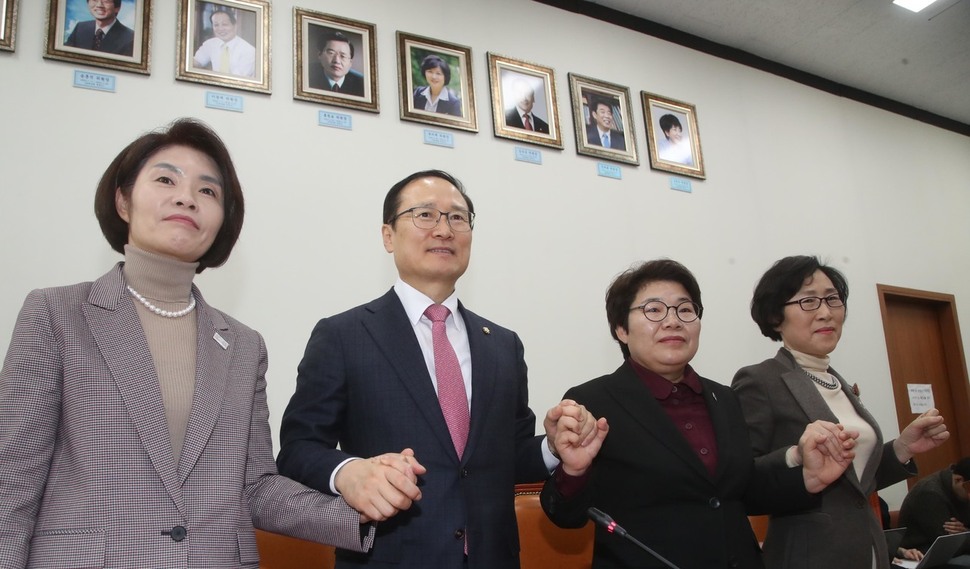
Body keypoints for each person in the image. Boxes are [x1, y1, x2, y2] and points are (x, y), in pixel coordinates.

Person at [0, 118, 394, 567]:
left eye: (208, 191)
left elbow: (255, 487)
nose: (186, 196)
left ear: (223, 220)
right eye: (166, 179)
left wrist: (358, 503)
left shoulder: (244, 345)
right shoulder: (56, 314)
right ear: (123, 200)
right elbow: (11, 478)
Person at [277, 170, 597, 569]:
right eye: (425, 215)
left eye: (458, 218)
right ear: (388, 235)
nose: (444, 230)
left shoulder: (502, 345)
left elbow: (505, 458)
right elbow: (297, 449)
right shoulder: (344, 335)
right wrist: (349, 472)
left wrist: (552, 449)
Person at [541, 259, 857, 569]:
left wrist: (808, 477)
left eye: (685, 309)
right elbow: (566, 516)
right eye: (653, 310)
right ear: (621, 328)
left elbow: (741, 493)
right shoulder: (593, 402)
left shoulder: (724, 397)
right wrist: (573, 472)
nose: (673, 321)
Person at [732, 255, 951, 569]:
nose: (825, 312)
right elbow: (744, 480)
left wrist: (902, 448)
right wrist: (795, 456)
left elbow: (856, 483)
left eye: (833, 299)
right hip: (810, 556)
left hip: (872, 549)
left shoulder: (838, 382)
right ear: (775, 315)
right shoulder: (760, 380)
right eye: (808, 301)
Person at [898, 458, 970, 555]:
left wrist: (965, 532)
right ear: (958, 480)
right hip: (922, 553)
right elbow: (948, 544)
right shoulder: (930, 493)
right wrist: (965, 535)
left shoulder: (960, 489)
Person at [193, 9, 256, 78]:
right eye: (216, 25)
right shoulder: (210, 44)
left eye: (225, 24)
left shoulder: (249, 51)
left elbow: (237, 80)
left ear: (235, 26)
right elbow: (196, 62)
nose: (220, 29)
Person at [64, 0, 134, 56]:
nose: (99, 5)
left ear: (117, 8)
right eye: (94, 0)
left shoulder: (131, 38)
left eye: (106, 1)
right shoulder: (80, 28)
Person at [308, 30, 365, 96]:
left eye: (343, 56)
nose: (336, 60)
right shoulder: (307, 74)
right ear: (319, 55)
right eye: (331, 53)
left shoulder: (362, 84)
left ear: (350, 63)